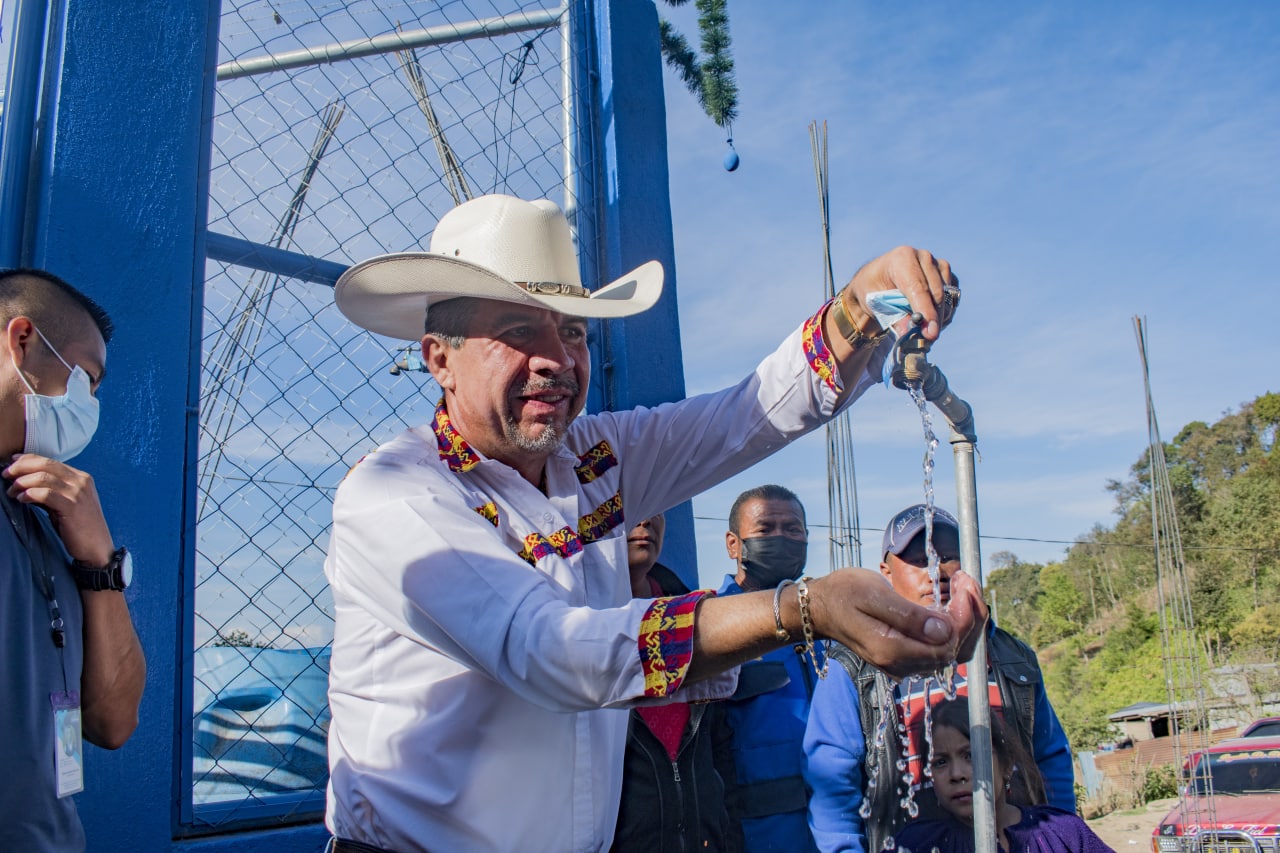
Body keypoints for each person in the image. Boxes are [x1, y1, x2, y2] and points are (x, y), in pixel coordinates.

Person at [323, 192, 985, 852]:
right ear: (440, 358)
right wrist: (799, 608)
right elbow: (552, 651)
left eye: (573, 329)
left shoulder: (594, 459)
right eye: (519, 330)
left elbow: (746, 416)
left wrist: (860, 307)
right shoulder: (396, 493)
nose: (558, 357)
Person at [804, 504, 1074, 853]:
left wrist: (1062, 835)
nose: (937, 572)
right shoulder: (854, 666)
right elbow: (831, 780)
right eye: (919, 559)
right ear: (886, 572)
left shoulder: (1010, 657)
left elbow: (1050, 757)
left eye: (948, 556)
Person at [0, 269, 146, 851]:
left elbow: (113, 723)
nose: (90, 401)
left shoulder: (41, 517)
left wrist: (100, 564)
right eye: (87, 377)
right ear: (23, 340)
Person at [613, 513, 742, 852]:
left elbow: (719, 755)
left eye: (658, 502)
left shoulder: (695, 622)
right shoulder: (567, 635)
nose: (643, 517)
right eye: (626, 502)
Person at [718, 484, 819, 852]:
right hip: (752, 837)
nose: (781, 538)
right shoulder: (712, 628)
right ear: (734, 545)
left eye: (792, 530)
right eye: (765, 530)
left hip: (836, 831)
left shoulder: (827, 627)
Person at [892, 698, 1113, 853]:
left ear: (1007, 764)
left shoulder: (1062, 833)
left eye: (971, 755)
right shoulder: (917, 845)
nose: (956, 774)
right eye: (940, 762)